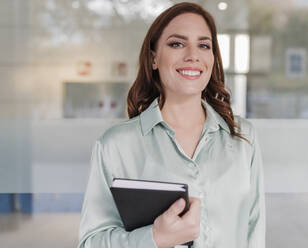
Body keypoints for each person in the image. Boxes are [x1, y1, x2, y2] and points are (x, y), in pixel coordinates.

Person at [78, 2, 265, 248]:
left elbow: (254, 232)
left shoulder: (242, 138)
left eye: (204, 45)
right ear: (154, 58)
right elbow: (91, 243)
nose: (192, 55)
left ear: (212, 58)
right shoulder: (116, 145)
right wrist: (155, 239)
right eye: (177, 43)